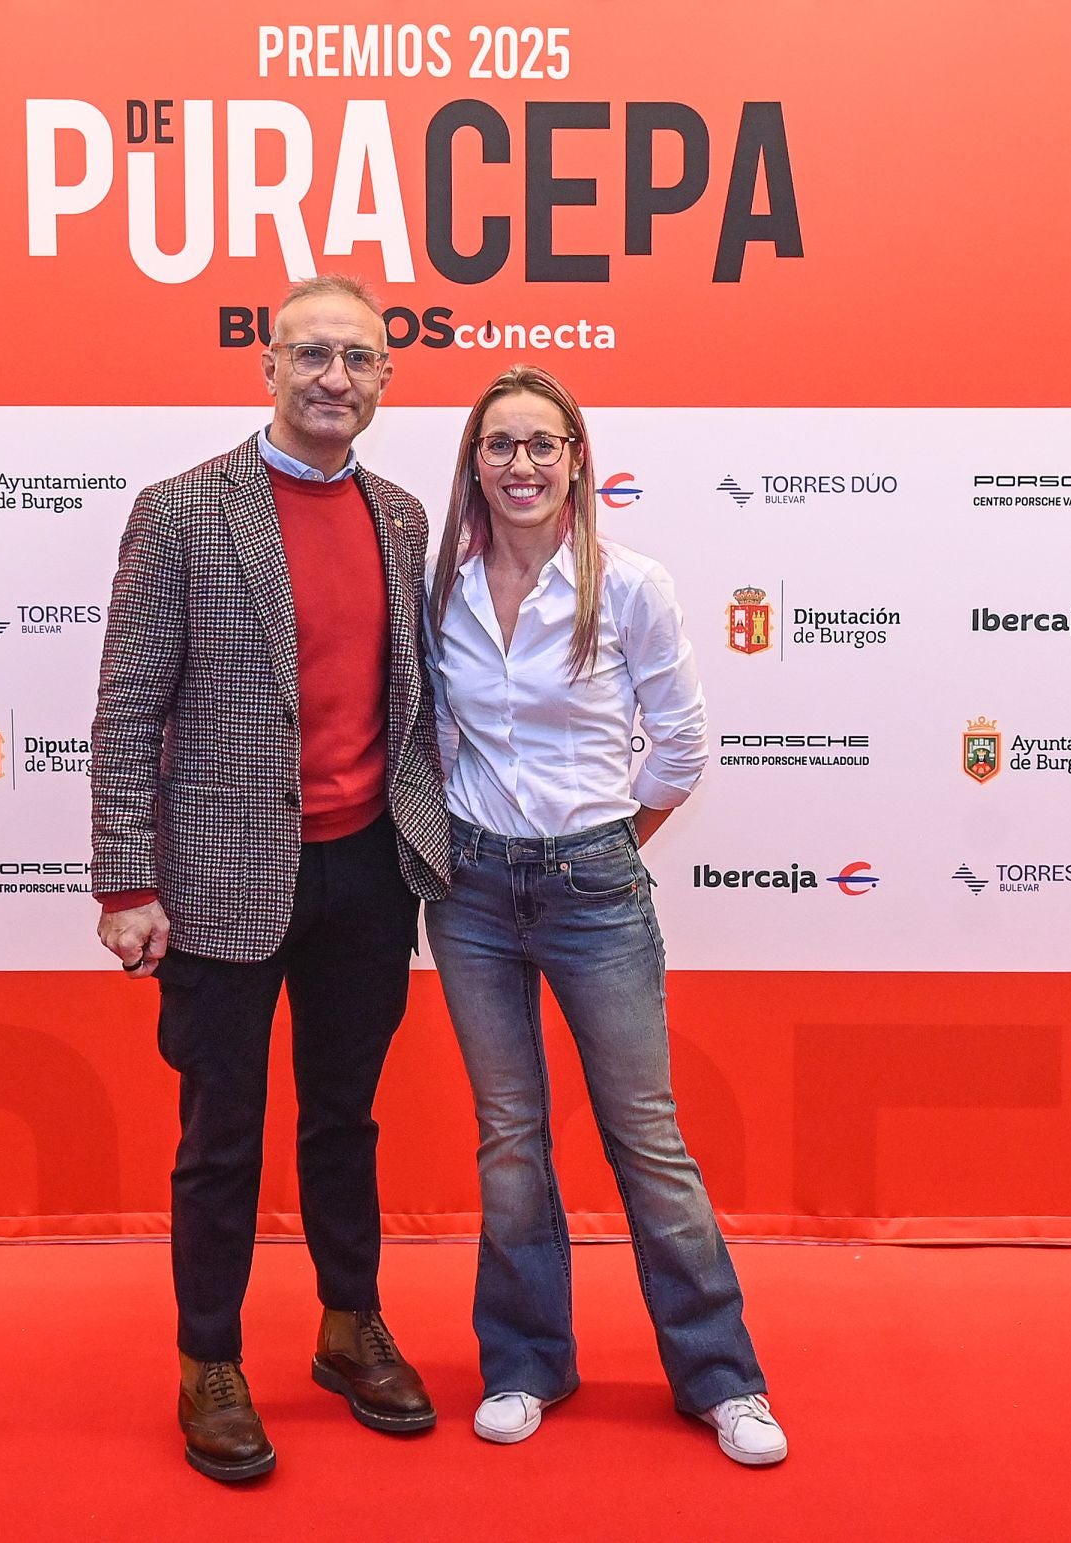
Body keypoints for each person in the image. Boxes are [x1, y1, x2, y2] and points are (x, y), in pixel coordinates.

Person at [90, 274, 450, 1483]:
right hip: (220, 882)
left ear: (386, 382)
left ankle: (351, 1328)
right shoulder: (184, 511)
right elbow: (126, 708)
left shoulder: (402, 517)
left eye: (357, 359)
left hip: (365, 873)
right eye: (312, 355)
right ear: (268, 365)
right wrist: (123, 882)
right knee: (221, 1136)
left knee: (345, 1120)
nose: (333, 378)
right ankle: (209, 1359)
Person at [423, 365, 787, 1466]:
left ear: (578, 458)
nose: (521, 464)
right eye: (500, 446)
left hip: (594, 888)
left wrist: (610, 852)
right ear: (473, 464)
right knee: (511, 1140)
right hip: (472, 893)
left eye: (542, 443)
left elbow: (681, 748)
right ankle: (528, 1360)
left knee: (649, 1140)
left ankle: (722, 1378)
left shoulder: (631, 585)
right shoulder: (435, 585)